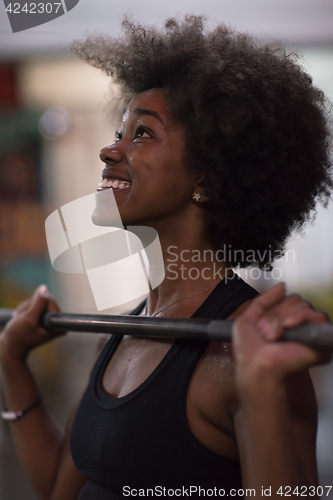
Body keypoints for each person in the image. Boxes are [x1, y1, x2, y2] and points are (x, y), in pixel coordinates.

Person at [0, 15, 332, 500]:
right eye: (120, 131)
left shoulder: (241, 356)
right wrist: (13, 361)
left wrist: (261, 386)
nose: (109, 151)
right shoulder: (121, 333)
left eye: (142, 134)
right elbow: (59, 489)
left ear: (207, 180)